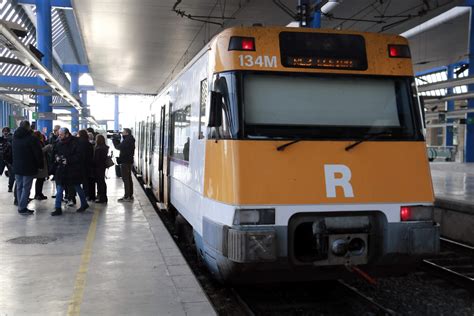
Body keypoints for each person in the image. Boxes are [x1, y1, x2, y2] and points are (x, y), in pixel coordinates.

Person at [51, 128, 89, 216]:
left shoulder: (76, 142)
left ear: (67, 134)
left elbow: (79, 156)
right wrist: (57, 157)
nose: (59, 136)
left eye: (61, 135)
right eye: (59, 134)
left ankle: (84, 204)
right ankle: (57, 208)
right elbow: (56, 152)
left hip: (73, 169)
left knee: (77, 186)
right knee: (60, 188)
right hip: (62, 169)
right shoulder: (59, 143)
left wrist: (68, 160)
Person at [12, 121, 43, 215]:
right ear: (28, 127)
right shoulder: (32, 138)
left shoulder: (14, 138)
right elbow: (37, 153)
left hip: (17, 166)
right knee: (26, 188)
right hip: (29, 167)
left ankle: (20, 205)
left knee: (19, 187)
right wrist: (40, 165)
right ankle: (22, 208)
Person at [112, 128, 135, 202]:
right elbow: (122, 146)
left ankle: (127, 196)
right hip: (128, 161)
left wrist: (114, 140)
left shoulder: (127, 140)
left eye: (123, 132)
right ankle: (130, 195)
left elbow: (118, 147)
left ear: (127, 133)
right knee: (128, 178)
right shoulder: (129, 139)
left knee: (125, 179)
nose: (122, 133)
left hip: (125, 161)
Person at [33, 131, 52, 200]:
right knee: (40, 180)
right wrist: (46, 148)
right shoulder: (37, 143)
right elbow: (39, 151)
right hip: (40, 163)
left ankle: (39, 193)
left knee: (41, 180)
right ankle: (38, 194)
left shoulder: (39, 142)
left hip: (42, 163)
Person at [77, 130, 95, 201]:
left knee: (79, 181)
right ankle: (88, 195)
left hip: (80, 164)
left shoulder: (78, 143)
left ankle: (83, 195)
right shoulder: (89, 144)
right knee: (87, 180)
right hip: (88, 165)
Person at [94, 134, 109, 203]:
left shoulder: (98, 148)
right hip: (102, 167)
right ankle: (103, 197)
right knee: (102, 181)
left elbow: (96, 159)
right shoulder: (105, 147)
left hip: (98, 167)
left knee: (100, 182)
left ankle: (101, 197)